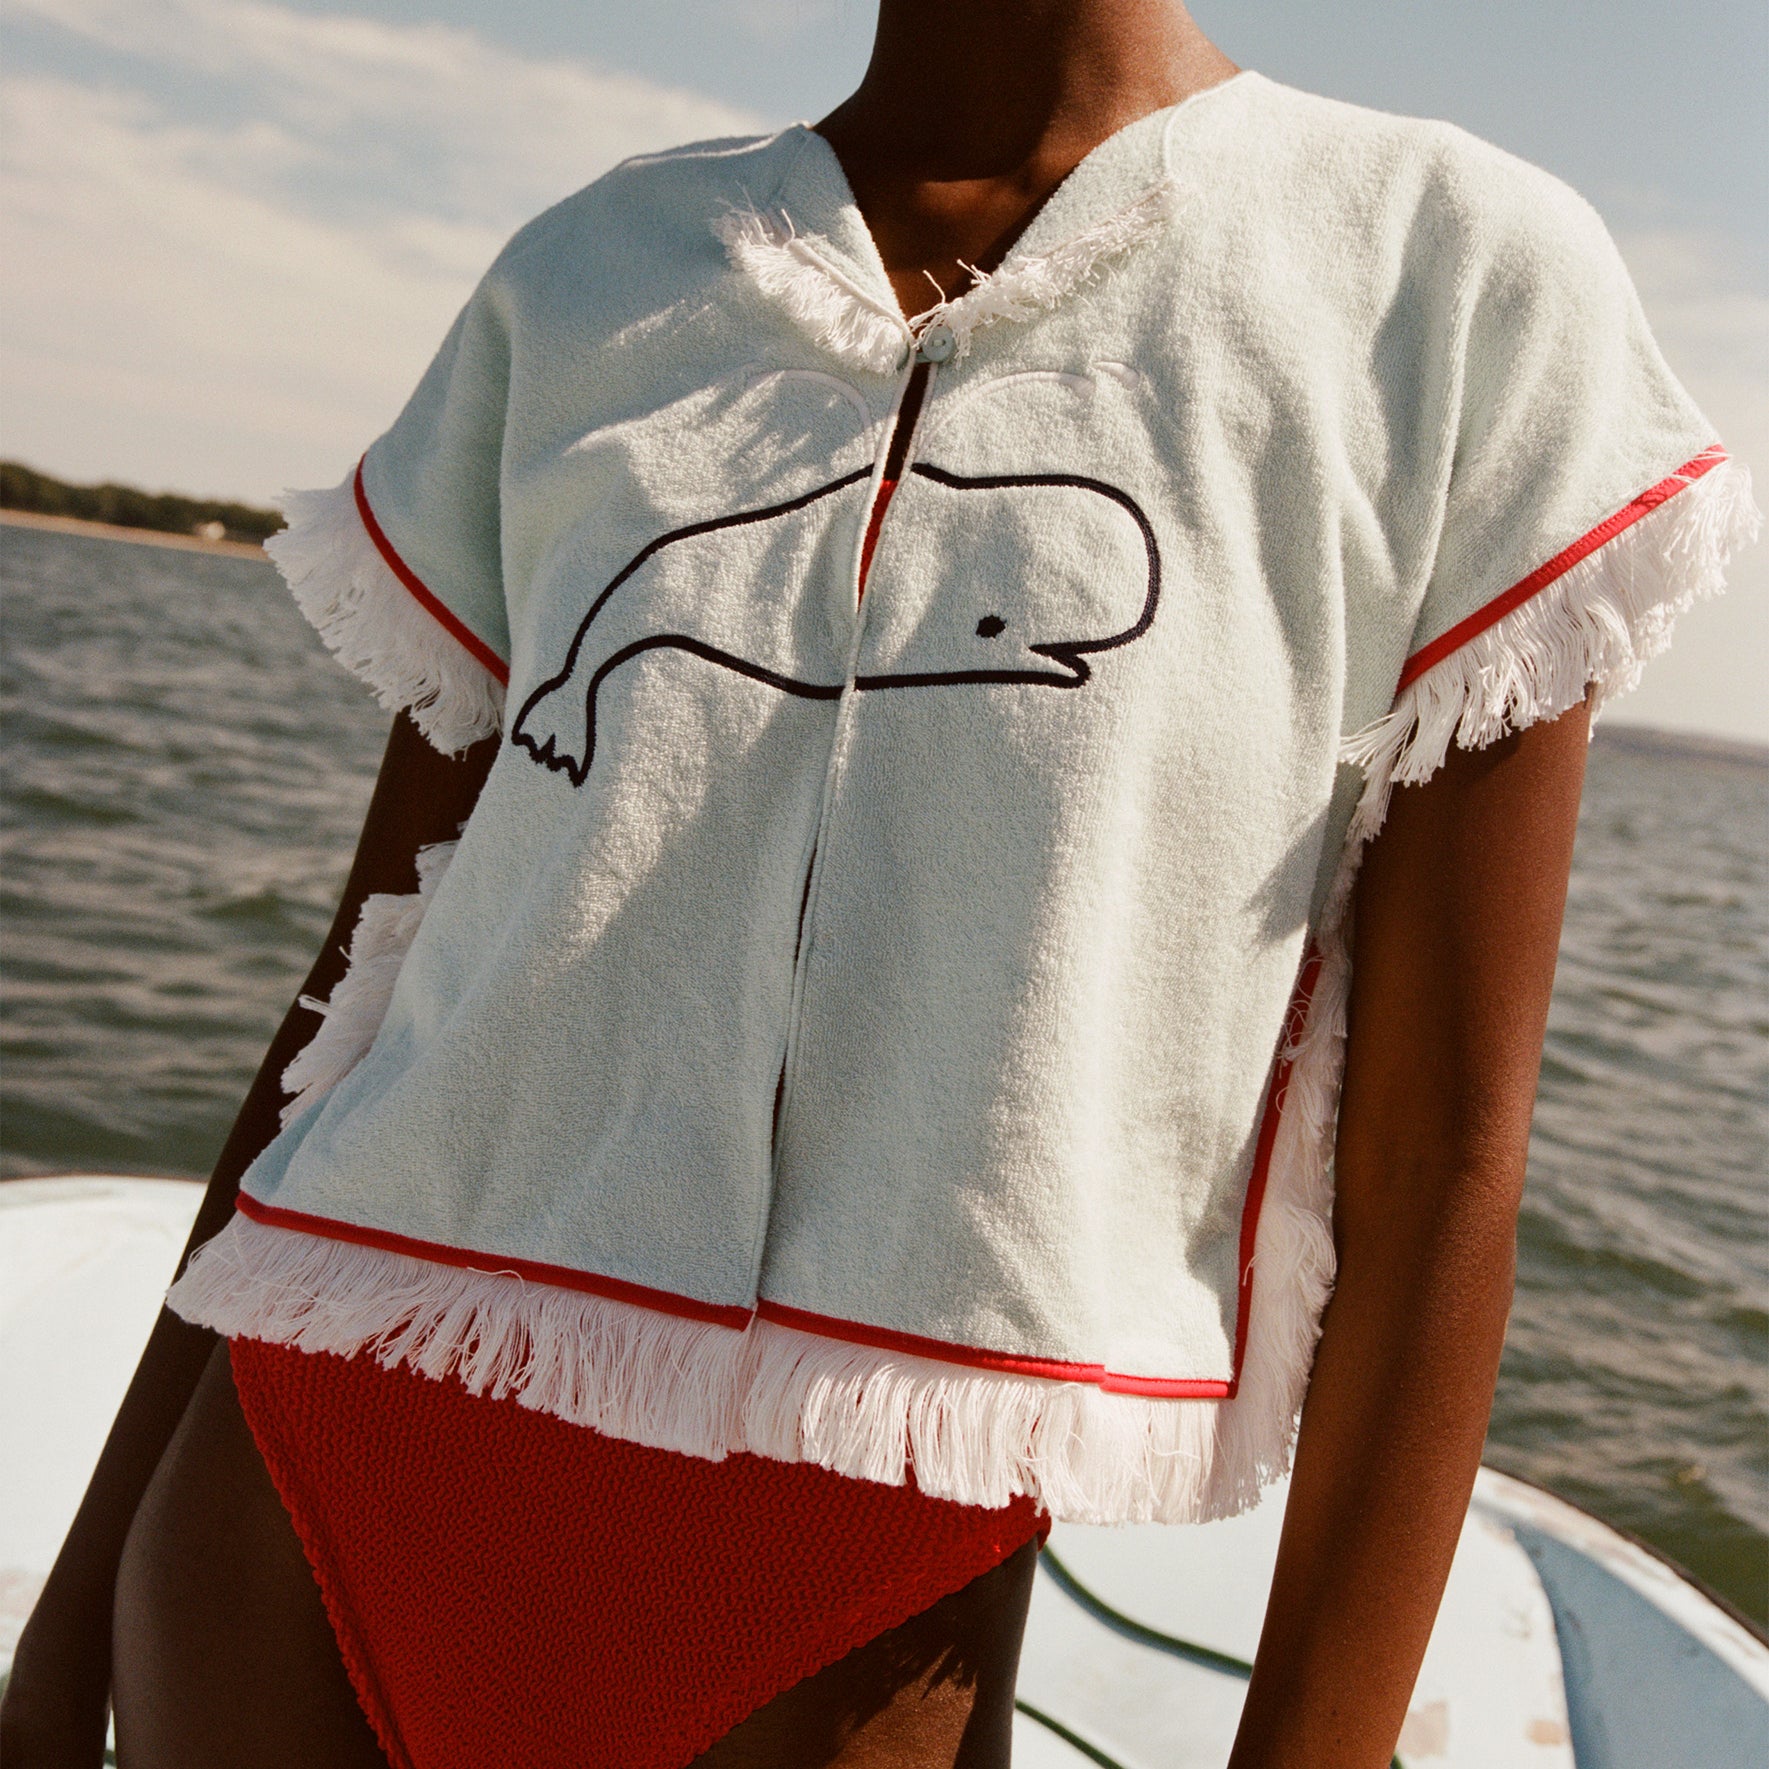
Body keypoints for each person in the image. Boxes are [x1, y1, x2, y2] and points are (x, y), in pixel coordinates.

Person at [3, 3, 1756, 1765]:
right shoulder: (598, 270)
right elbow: (363, 981)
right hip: (298, 1480)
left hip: (851, 1590)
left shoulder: (1447, 275)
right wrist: (71, 1609)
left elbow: (1442, 1150)